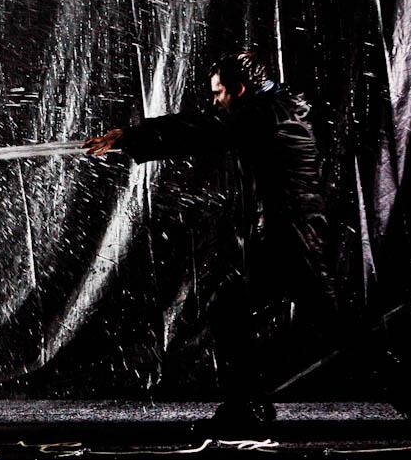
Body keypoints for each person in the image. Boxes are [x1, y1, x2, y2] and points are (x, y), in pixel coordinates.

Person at [84, 52, 338, 429]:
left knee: (332, 322)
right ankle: (246, 405)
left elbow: (204, 129)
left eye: (220, 92)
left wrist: (132, 136)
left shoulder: (264, 113)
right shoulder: (271, 105)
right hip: (286, 231)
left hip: (294, 234)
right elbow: (208, 123)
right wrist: (133, 137)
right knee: (231, 308)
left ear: (239, 89)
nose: (216, 99)